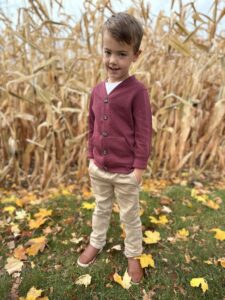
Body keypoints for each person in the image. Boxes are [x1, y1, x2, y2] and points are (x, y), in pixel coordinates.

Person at [77, 12, 152, 284]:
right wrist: (90, 157)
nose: (112, 60)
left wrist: (138, 169)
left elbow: (144, 132)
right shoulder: (97, 90)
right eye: (107, 52)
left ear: (135, 55)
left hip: (125, 172)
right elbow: (92, 124)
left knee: (130, 216)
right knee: (101, 208)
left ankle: (133, 253)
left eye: (121, 54)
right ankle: (96, 242)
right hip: (99, 168)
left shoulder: (137, 91)